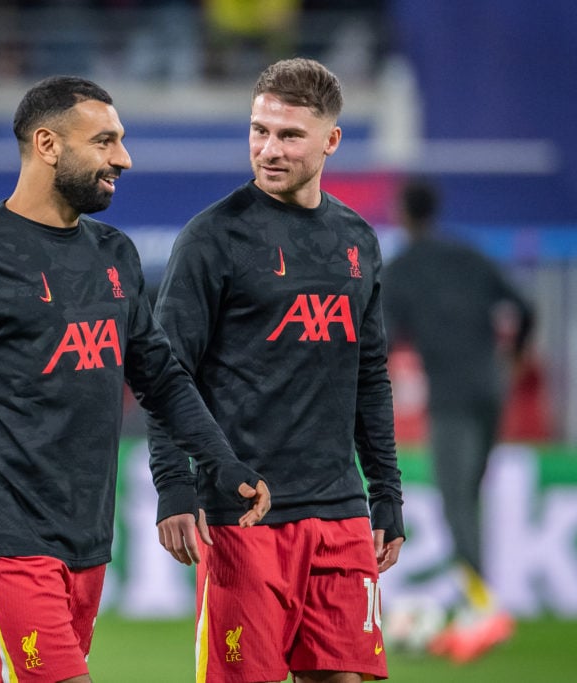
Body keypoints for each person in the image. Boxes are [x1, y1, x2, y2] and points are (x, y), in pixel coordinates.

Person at [0, 75, 271, 683]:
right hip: (3, 537)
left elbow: (162, 379)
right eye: (104, 141)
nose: (123, 157)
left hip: (88, 541)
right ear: (47, 144)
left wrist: (220, 464)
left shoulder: (114, 255)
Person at [147, 57, 404, 683]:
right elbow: (163, 371)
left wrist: (387, 493)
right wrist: (173, 486)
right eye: (260, 131)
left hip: (340, 509)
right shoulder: (212, 239)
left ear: (331, 140)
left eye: (290, 135)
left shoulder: (357, 240)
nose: (269, 149)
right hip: (245, 513)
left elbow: (369, 373)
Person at [382, 178, 533, 663]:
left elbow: (381, 340)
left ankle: (483, 607)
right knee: (469, 495)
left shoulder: (403, 269)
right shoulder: (469, 255)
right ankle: (477, 601)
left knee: (456, 503)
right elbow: (525, 307)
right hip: (492, 390)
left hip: (448, 397)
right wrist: (513, 358)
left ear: (404, 215)